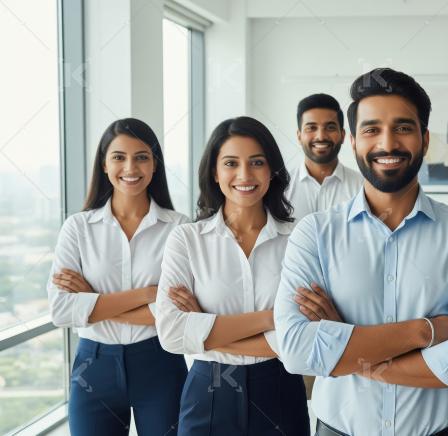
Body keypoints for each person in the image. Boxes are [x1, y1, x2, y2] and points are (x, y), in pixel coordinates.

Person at [274, 68, 448, 436]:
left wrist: (346, 346)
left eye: (403, 127)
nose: (388, 143)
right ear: (353, 141)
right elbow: (297, 351)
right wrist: (427, 330)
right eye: (371, 129)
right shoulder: (314, 234)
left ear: (425, 139)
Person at [155, 116, 309, 436]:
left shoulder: (300, 239)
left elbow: (306, 339)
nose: (244, 175)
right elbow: (171, 333)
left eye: (256, 162)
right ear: (214, 171)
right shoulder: (187, 240)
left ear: (272, 171)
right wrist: (274, 318)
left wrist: (205, 330)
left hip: (280, 390)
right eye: (230, 163)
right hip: (207, 393)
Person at [47, 118, 188, 436]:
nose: (131, 167)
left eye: (141, 156)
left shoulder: (179, 228)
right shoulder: (78, 228)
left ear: (154, 164)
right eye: (119, 157)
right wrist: (148, 294)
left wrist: (92, 300)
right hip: (93, 368)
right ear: (104, 164)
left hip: (160, 363)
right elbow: (61, 310)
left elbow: (178, 314)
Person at [286, 93, 363, 222]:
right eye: (311, 128)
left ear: (343, 135)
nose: (321, 136)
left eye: (330, 127)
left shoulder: (362, 187)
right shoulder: (282, 189)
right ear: (299, 136)